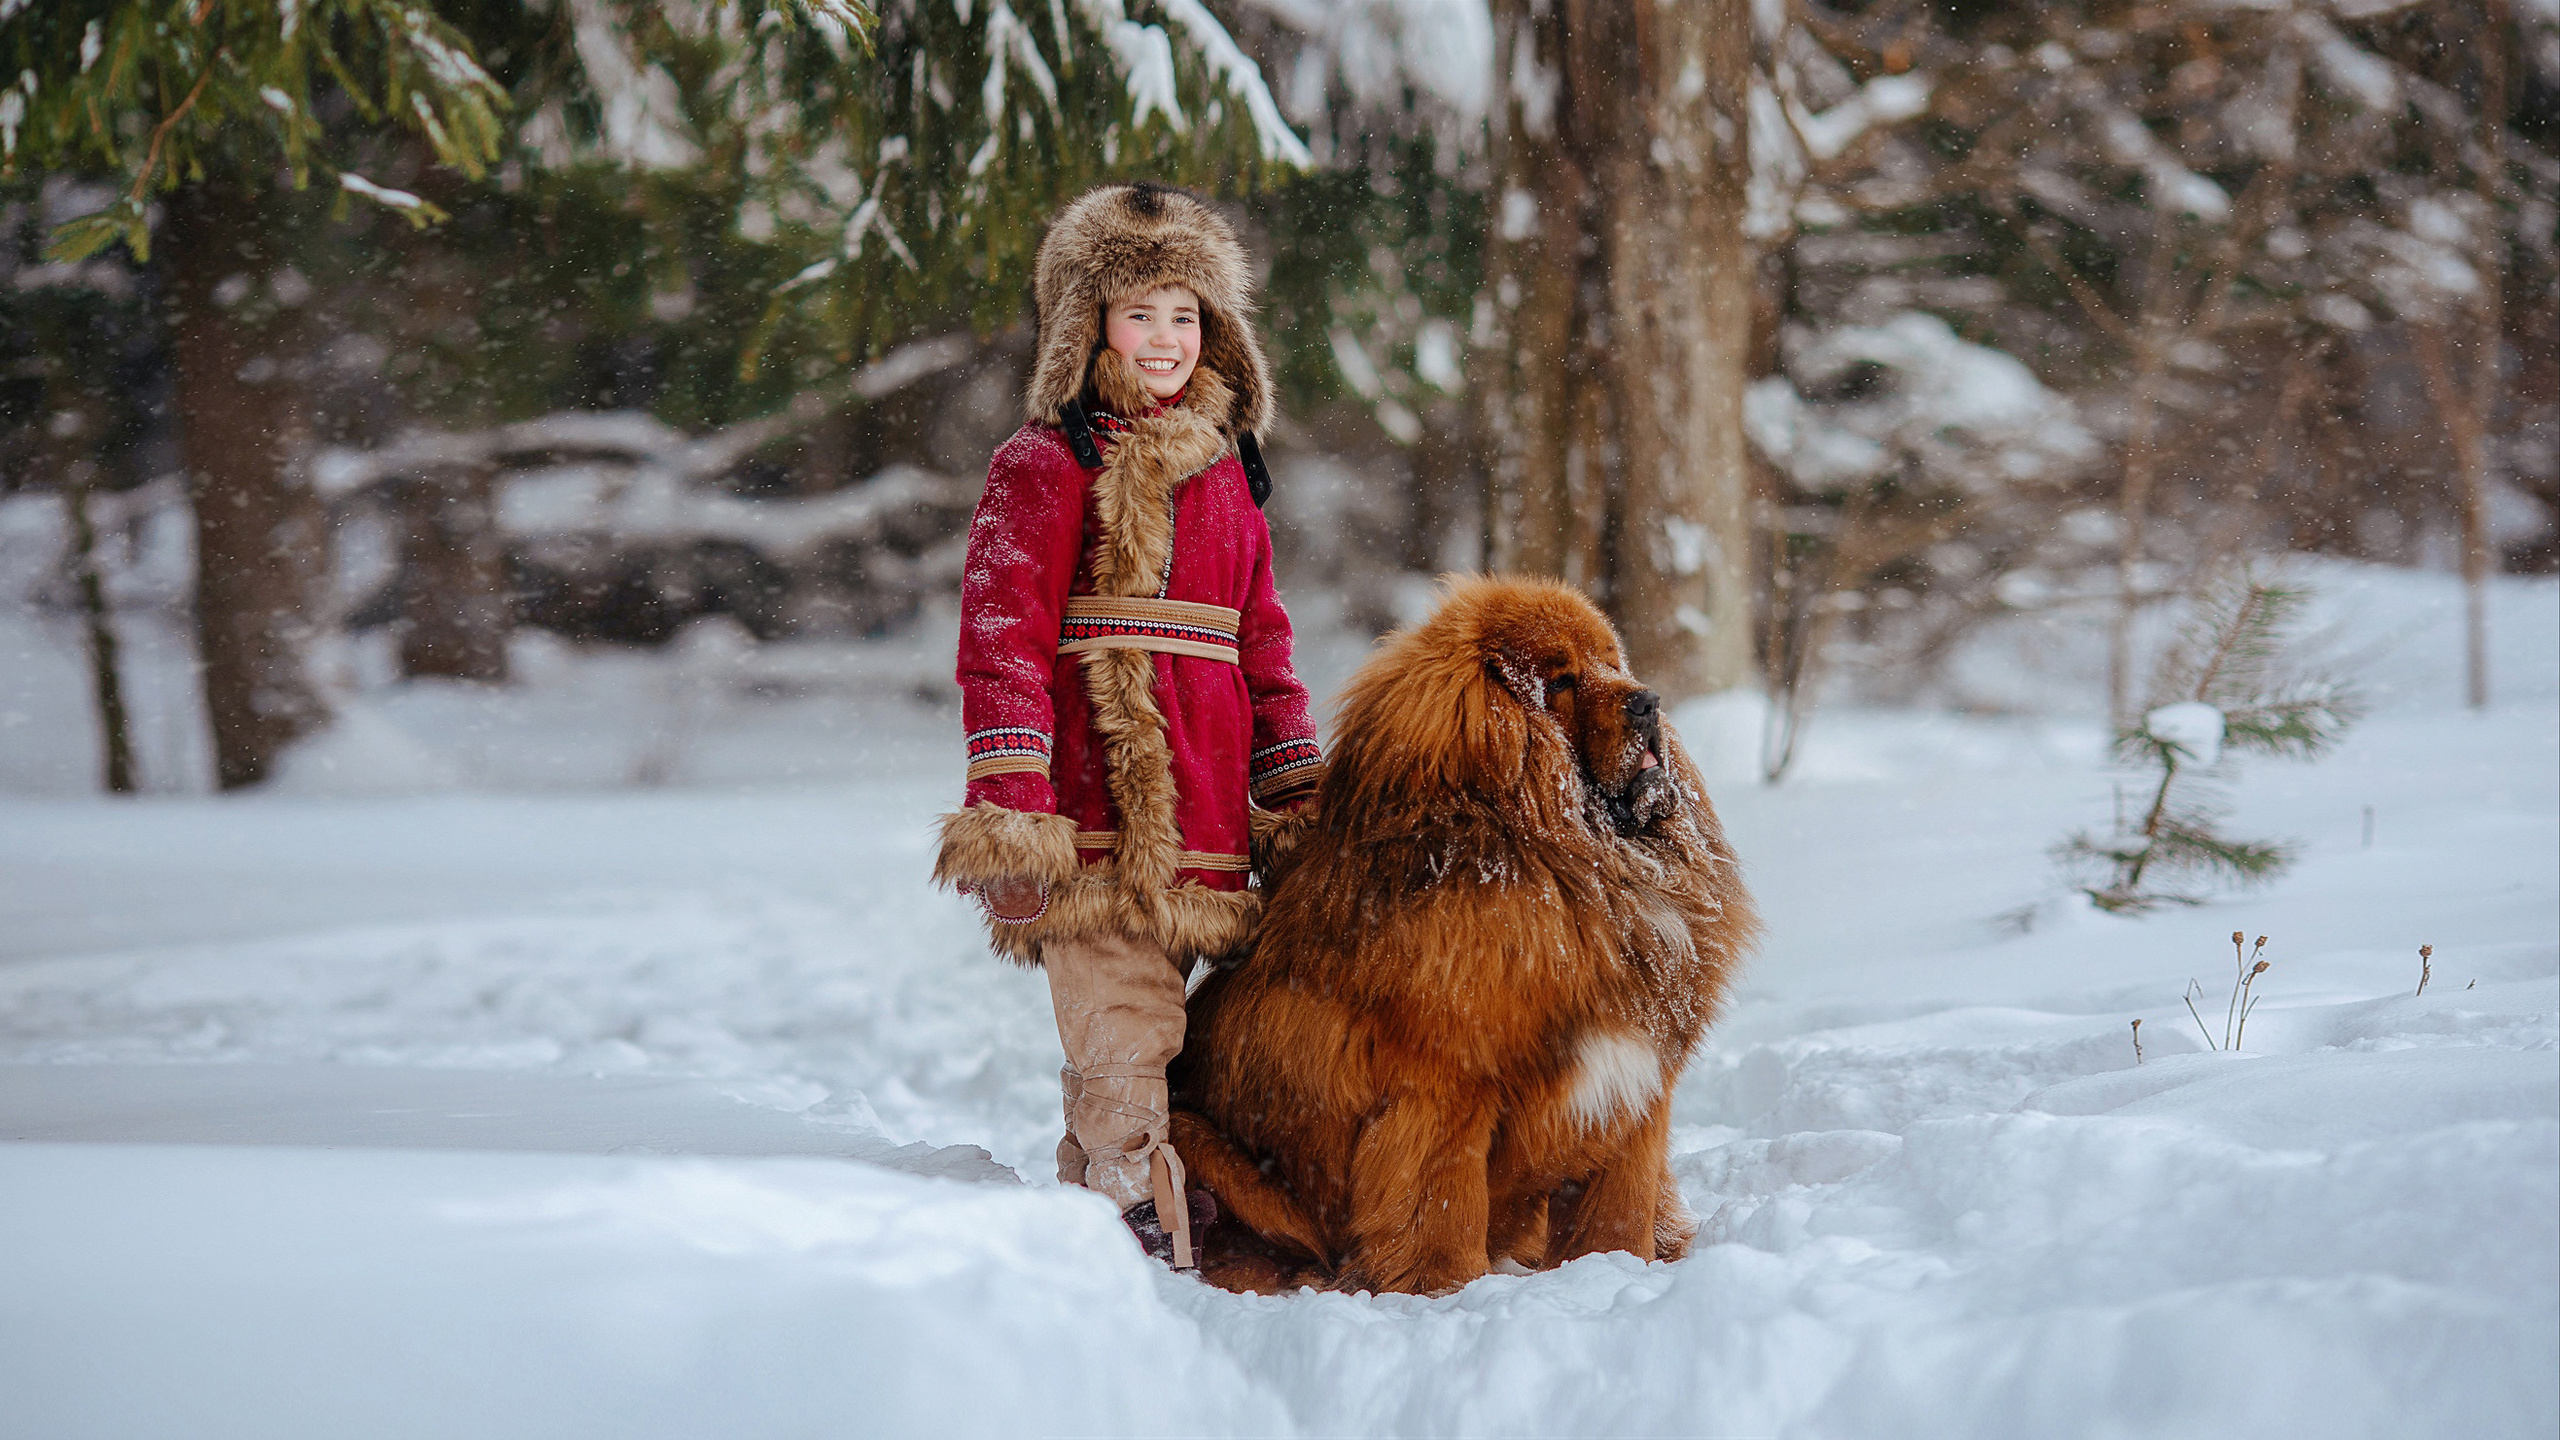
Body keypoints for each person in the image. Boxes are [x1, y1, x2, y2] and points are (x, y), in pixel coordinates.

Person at [932, 183, 1322, 1269]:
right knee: (1126, 1033)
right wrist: (1011, 806)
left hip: (1207, 819)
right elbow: (1001, 641)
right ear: (1085, 324)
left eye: (1186, 314)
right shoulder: (1044, 464)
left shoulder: (1228, 472)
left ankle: (1101, 1231)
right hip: (1093, 816)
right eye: (1139, 312)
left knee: (1175, 1040)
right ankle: (1129, 1233)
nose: (1165, 339)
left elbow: (1264, 643)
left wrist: (1296, 788)